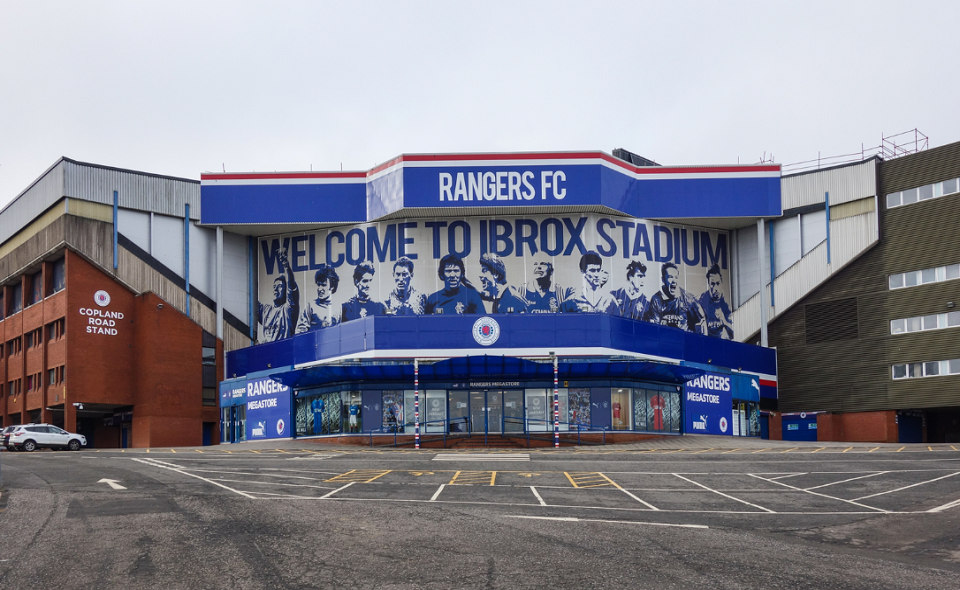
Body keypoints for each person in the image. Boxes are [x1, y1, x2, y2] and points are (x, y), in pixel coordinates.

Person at [643, 262, 707, 333]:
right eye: (670, 277)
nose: (674, 281)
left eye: (676, 277)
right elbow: (654, 330)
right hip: (665, 341)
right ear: (663, 280)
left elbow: (702, 322)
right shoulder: (656, 300)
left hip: (683, 342)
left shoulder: (688, 299)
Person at [257, 248, 299, 341]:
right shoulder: (265, 311)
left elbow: (291, 286)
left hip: (284, 352)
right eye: (274, 286)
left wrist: (286, 266)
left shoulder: (288, 310)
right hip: (267, 353)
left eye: (279, 286)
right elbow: (250, 302)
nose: (275, 289)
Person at [296, 264, 341, 333]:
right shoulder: (310, 306)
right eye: (318, 285)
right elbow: (300, 331)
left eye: (323, 285)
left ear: (332, 287)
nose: (320, 289)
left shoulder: (338, 307)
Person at [699, 264, 734, 339]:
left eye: (718, 283)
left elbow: (732, 334)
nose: (715, 288)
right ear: (708, 284)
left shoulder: (725, 304)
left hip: (720, 345)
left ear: (721, 283)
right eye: (712, 284)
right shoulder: (702, 301)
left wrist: (723, 320)